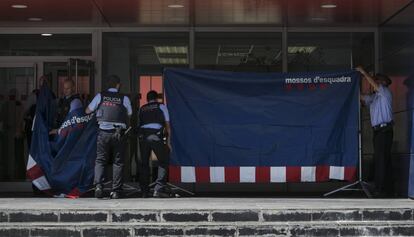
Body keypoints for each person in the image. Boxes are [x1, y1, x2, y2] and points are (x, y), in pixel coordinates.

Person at [86, 75, 132, 199]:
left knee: (100, 160)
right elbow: (130, 113)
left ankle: (99, 187)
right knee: (118, 162)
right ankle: (116, 191)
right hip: (118, 134)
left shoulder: (100, 96)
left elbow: (87, 111)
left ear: (108, 85)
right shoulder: (124, 98)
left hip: (103, 133)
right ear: (118, 85)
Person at [357, 66, 394, 198]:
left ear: (383, 83)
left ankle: (380, 189)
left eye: (378, 80)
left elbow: (372, 84)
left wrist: (363, 73)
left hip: (385, 130)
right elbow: (361, 97)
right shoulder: (375, 97)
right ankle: (387, 188)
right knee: (382, 160)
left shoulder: (385, 93)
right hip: (378, 132)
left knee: (381, 160)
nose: (375, 82)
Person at [138, 90, 171, 198]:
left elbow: (139, 123)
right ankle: (158, 188)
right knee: (164, 160)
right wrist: (169, 141)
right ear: (156, 98)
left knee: (144, 164)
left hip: (143, 137)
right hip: (155, 136)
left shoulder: (141, 108)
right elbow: (167, 125)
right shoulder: (161, 106)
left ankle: (144, 191)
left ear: (147, 99)